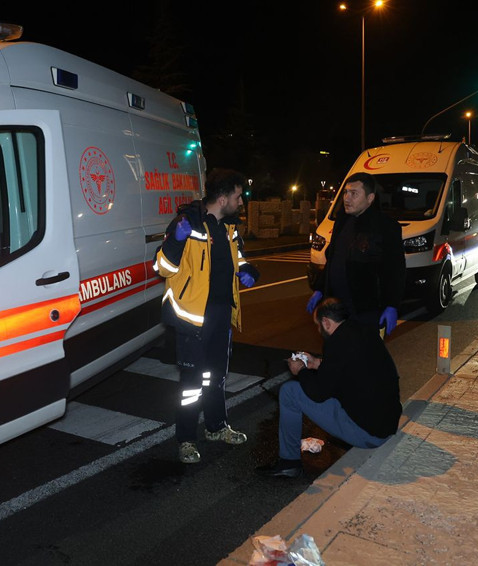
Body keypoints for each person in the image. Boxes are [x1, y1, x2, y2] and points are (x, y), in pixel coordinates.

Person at [153, 168, 260, 464]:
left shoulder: (230, 227)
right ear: (223, 197)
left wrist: (248, 268)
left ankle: (216, 427)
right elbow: (162, 267)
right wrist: (175, 240)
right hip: (193, 318)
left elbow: (238, 256)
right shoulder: (187, 223)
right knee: (190, 385)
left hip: (222, 315)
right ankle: (186, 439)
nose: (241, 202)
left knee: (215, 378)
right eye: (238, 196)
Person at [259, 297, 402, 478]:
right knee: (338, 389)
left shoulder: (336, 343)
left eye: (318, 325)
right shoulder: (363, 331)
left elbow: (319, 393)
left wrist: (301, 370)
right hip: (387, 424)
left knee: (290, 392)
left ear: (326, 322)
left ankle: (289, 463)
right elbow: (347, 367)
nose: (318, 330)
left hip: (369, 434)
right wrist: (317, 363)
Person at [306, 172, 405, 337]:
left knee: (364, 356)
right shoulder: (342, 221)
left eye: (354, 194)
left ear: (370, 198)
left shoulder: (386, 227)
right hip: (336, 309)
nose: (347, 198)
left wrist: (392, 304)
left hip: (365, 309)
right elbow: (333, 259)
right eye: (345, 192)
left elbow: (395, 269)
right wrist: (320, 289)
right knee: (337, 353)